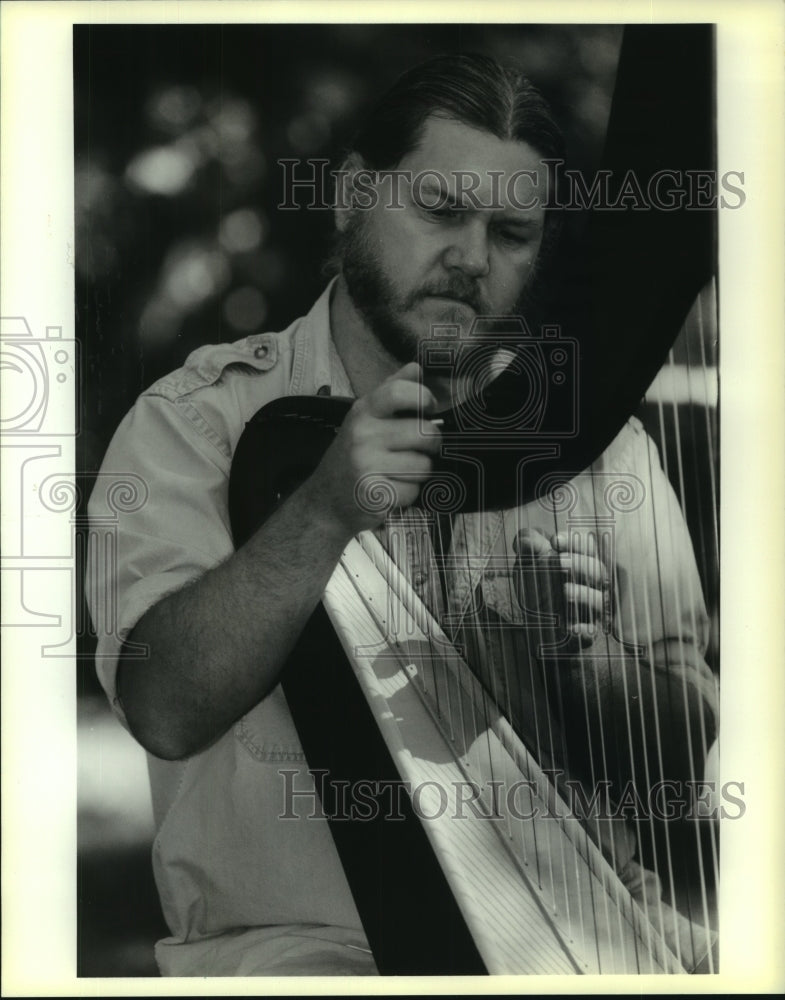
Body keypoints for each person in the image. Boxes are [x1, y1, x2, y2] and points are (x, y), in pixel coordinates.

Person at [87, 53, 719, 976]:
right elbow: (165, 709)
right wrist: (321, 509)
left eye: (511, 232)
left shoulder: (592, 442)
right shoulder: (196, 422)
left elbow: (678, 769)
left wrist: (579, 659)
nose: (470, 259)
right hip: (292, 955)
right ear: (350, 196)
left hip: (592, 934)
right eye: (439, 211)